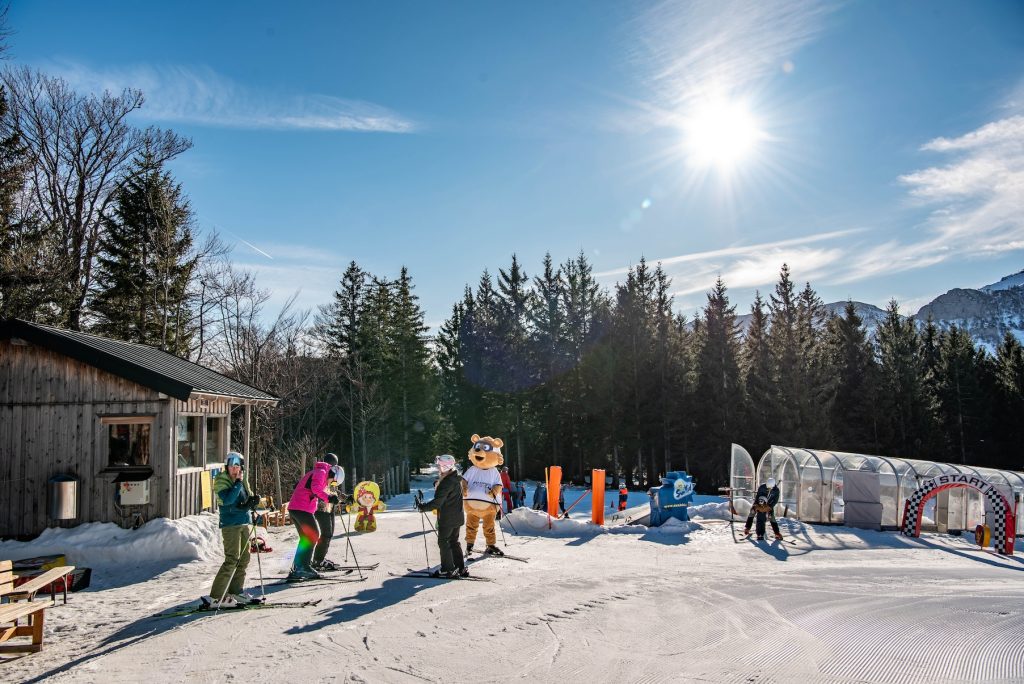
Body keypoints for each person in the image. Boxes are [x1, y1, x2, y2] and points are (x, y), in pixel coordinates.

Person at [207, 452, 261, 607]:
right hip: (230, 524)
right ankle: (216, 597)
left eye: (237, 466)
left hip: (243, 522)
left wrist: (252, 503)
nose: (234, 469)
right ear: (227, 467)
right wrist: (237, 483)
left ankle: (235, 591)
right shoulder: (221, 480)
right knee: (232, 559)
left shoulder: (242, 480)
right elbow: (228, 500)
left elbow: (245, 498)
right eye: (231, 466)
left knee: (244, 559)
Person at [287, 455, 342, 580]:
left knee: (305, 538)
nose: (331, 483)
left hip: (298, 508)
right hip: (301, 508)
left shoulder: (320, 472)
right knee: (313, 535)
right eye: (333, 481)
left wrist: (333, 497)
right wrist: (328, 498)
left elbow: (314, 489)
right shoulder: (322, 472)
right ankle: (303, 567)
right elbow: (315, 488)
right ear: (333, 472)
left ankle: (298, 567)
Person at [416, 454, 468, 578]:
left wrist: (423, 507)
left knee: (444, 542)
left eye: (439, 466)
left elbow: (438, 502)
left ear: (446, 467)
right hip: (457, 516)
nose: (438, 468)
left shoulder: (447, 482)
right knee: (454, 541)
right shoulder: (455, 478)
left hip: (448, 518)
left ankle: (448, 569)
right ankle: (460, 568)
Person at [312, 454, 347, 571]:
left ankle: (320, 558)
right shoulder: (322, 474)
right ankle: (317, 560)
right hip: (321, 509)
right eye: (333, 464)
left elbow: (334, 490)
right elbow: (318, 490)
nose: (334, 466)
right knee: (326, 534)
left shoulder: (331, 474)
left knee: (329, 534)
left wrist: (346, 498)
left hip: (329, 508)